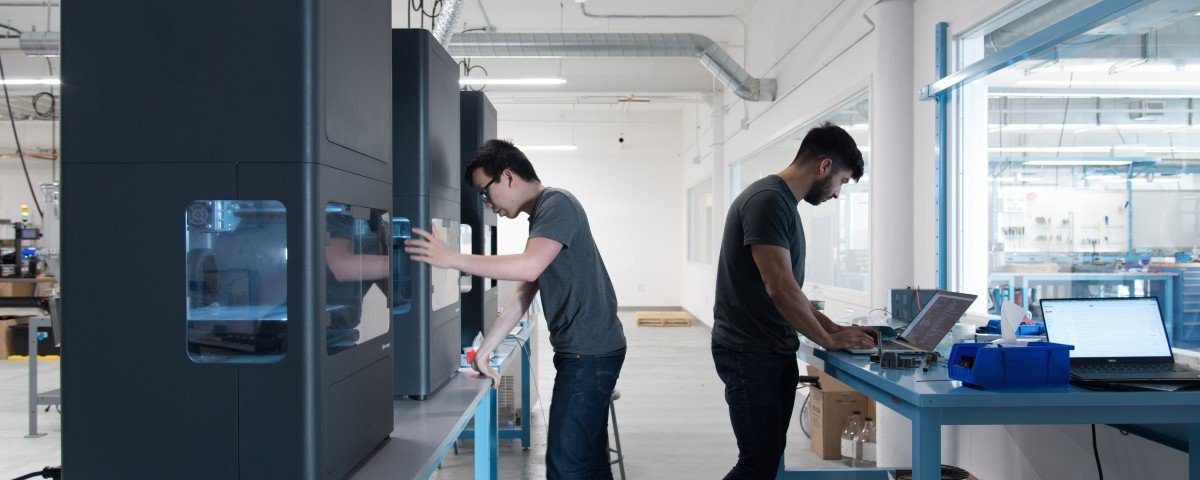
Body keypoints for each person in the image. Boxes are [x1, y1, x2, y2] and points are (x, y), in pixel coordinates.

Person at [405, 139, 626, 480]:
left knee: (566, 466)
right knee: (588, 462)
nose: (486, 203)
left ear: (508, 177)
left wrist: (452, 259)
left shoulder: (558, 203)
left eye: (484, 191)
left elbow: (528, 267)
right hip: (588, 351)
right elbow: (525, 290)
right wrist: (486, 350)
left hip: (590, 354)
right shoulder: (542, 214)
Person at [711, 122, 877, 480]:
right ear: (824, 166)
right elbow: (780, 286)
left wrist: (835, 327)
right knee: (757, 464)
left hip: (769, 349)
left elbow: (789, 289)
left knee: (767, 461)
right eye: (843, 182)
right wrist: (829, 340)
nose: (837, 193)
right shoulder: (768, 201)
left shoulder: (781, 201)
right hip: (749, 352)